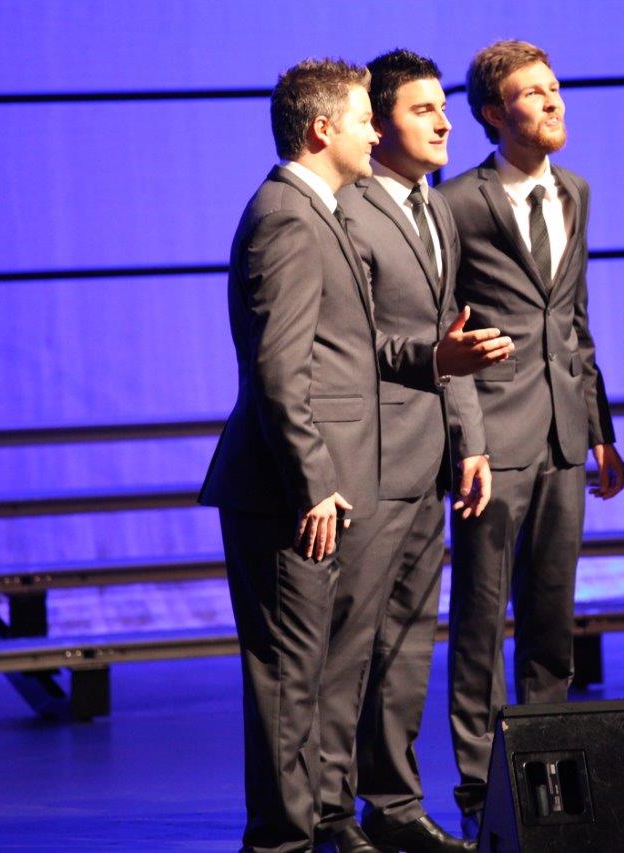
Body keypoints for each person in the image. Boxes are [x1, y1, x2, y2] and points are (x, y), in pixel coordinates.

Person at [200, 58, 509, 853]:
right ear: (321, 129)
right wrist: (314, 483)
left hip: (327, 480)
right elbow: (280, 370)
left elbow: (350, 347)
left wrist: (437, 361)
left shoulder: (318, 211)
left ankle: (315, 824)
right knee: (287, 678)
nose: (375, 133)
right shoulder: (287, 217)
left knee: (316, 672)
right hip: (289, 490)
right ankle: (282, 842)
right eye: (365, 119)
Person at [438, 39, 624, 833]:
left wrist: (601, 428)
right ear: (493, 112)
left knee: (552, 617)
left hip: (563, 435)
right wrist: (467, 438)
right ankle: (480, 785)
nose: (553, 101)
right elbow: (447, 331)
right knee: (481, 617)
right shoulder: (457, 202)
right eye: (532, 92)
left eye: (555, 87)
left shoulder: (575, 190)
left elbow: (574, 320)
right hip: (492, 437)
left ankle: (544, 768)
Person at [316, 48, 496, 853]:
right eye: (424, 110)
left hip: (428, 457)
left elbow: (449, 329)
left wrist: (471, 439)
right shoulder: (344, 208)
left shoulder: (435, 207)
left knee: (407, 642)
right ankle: (327, 810)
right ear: (378, 125)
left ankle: (392, 802)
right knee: (349, 642)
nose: (445, 123)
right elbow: (346, 342)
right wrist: (436, 360)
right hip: (366, 458)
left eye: (444, 107)